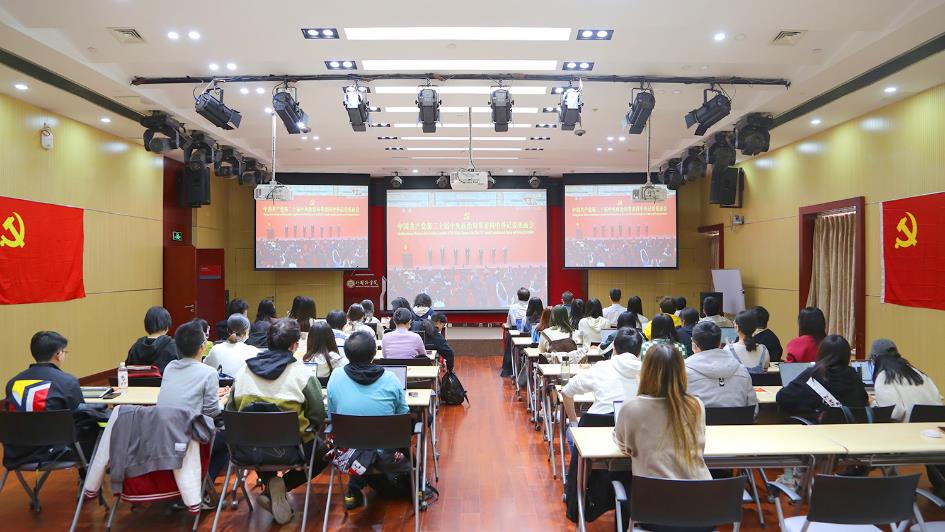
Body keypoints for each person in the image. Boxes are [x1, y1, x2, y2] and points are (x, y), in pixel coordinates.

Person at [226, 318, 327, 525]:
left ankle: (271, 484)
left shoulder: (243, 372)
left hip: (249, 449)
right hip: (294, 450)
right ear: (294, 345)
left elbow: (231, 411)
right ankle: (282, 486)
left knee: (260, 437)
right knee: (324, 453)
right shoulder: (302, 373)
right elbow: (318, 414)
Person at [562, 328, 642, 523]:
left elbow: (566, 392)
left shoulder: (601, 368)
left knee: (573, 436)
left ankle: (578, 499)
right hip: (636, 445)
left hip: (595, 439)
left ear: (613, 349)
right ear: (639, 352)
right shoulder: (648, 371)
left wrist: (575, 424)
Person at [327, 330, 410, 510]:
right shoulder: (390, 378)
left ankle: (353, 488)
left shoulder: (336, 376)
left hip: (348, 452)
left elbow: (331, 415)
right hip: (385, 452)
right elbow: (403, 414)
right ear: (374, 353)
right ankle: (415, 487)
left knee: (362, 442)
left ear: (346, 354)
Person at [614, 342, 711, 479]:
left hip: (653, 491)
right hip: (700, 489)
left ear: (645, 372)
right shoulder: (696, 405)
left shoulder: (631, 407)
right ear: (681, 372)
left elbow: (623, 446)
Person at [4, 331, 98, 470]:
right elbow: (80, 415)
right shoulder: (67, 381)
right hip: (56, 452)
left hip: (18, 453)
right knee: (93, 426)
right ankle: (87, 476)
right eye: (64, 352)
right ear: (58, 354)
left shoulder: (13, 383)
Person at [158, 320, 228, 486]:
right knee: (229, 438)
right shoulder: (209, 373)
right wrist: (224, 399)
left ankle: (198, 482)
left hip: (165, 434)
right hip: (191, 437)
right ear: (202, 347)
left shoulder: (170, 367)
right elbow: (211, 413)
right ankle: (203, 483)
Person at [776, 334, 868, 417]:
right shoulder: (853, 374)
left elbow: (782, 397)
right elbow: (863, 400)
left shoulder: (813, 374)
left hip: (818, 427)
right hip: (851, 427)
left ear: (821, 352)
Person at [685, 322, 758, 408]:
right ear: (720, 344)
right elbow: (753, 407)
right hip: (738, 417)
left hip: (699, 416)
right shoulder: (741, 370)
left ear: (694, 346)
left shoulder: (684, 372)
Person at [870, 339, 942, 421]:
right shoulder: (918, 373)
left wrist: (872, 403)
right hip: (934, 426)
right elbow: (938, 403)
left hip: (907, 427)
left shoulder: (884, 377)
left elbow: (894, 413)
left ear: (874, 358)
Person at [126, 306, 181, 373]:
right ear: (167, 325)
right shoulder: (173, 346)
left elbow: (128, 368)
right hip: (166, 380)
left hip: (139, 380)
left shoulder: (136, 346)